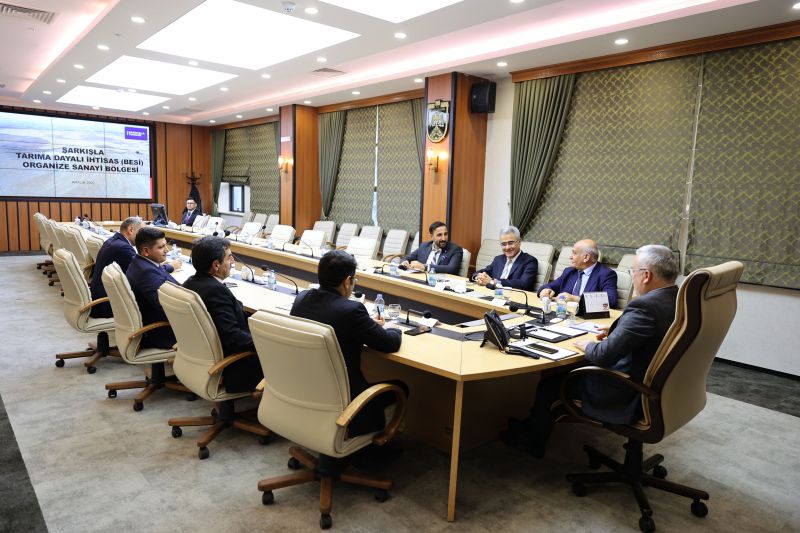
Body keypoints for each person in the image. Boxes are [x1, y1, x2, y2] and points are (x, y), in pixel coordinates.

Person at [507, 244, 680, 457]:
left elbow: (602, 355)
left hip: (624, 391)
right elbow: (649, 333)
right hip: (655, 385)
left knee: (548, 385)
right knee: (563, 373)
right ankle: (532, 425)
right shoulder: (675, 297)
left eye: (632, 271)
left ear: (646, 276)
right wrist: (617, 330)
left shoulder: (644, 307)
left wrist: (588, 345)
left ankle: (533, 442)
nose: (632, 276)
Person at [291, 250, 404, 437]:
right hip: (346, 401)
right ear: (347, 281)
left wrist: (366, 324)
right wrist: (393, 328)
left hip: (306, 390)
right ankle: (372, 446)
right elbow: (389, 344)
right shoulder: (352, 311)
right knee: (401, 387)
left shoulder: (302, 299)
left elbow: (334, 318)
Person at [182, 237, 264, 393]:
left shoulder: (190, 282)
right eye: (229, 257)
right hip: (236, 366)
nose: (232, 262)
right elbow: (233, 337)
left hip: (202, 358)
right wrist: (265, 343)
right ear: (216, 265)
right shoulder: (216, 291)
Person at [126, 227, 182, 349]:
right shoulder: (147, 273)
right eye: (161, 247)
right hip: (162, 332)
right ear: (146, 251)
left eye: (165, 245)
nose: (167, 250)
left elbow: (160, 272)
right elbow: (167, 309)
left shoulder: (139, 261)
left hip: (154, 321)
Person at [538, 239, 618, 308]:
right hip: (563, 313)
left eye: (574, 253)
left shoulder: (606, 274)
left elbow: (611, 301)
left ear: (586, 257)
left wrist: (576, 299)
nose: (570, 257)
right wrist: (546, 290)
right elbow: (548, 286)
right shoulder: (569, 271)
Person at [89, 216, 142, 318]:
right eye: (141, 232)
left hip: (98, 297)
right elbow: (143, 270)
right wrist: (169, 266)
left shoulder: (113, 241)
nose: (143, 236)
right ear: (131, 230)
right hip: (106, 303)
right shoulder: (123, 248)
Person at [473, 226, 538, 291]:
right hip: (493, 293)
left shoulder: (530, 261)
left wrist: (493, 281)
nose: (507, 247)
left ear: (519, 242)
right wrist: (478, 277)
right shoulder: (498, 259)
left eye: (511, 243)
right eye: (503, 244)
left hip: (513, 295)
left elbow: (524, 284)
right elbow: (484, 271)